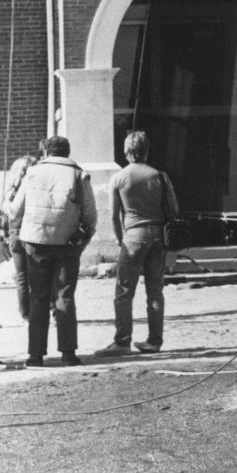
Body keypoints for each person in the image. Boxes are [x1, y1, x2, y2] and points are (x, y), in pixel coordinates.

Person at [8, 134, 97, 368]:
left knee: (38, 298)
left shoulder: (32, 172)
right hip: (67, 244)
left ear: (46, 153)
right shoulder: (79, 174)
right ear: (67, 152)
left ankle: (35, 356)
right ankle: (68, 353)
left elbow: (14, 211)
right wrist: (82, 240)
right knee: (64, 296)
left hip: (35, 244)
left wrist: (5, 199)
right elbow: (90, 216)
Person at [95, 130, 177, 356]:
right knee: (155, 291)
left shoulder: (119, 177)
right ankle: (154, 341)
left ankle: (122, 341)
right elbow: (174, 209)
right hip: (159, 235)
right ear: (147, 150)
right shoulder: (160, 175)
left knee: (124, 291)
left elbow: (113, 215)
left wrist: (120, 240)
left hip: (133, 235)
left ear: (125, 151)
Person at [3, 153, 38, 323]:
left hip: (16, 235)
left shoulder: (10, 190)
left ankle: (26, 316)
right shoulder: (34, 187)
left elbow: (7, 212)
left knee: (21, 277)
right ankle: (47, 310)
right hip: (33, 234)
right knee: (39, 275)